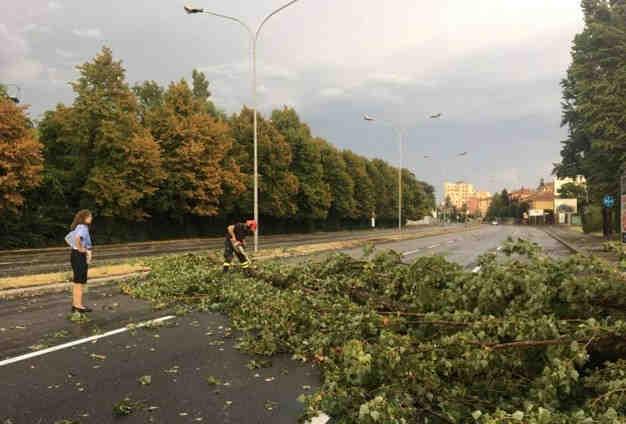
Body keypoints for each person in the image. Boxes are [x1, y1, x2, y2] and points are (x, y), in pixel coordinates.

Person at [65, 210, 94, 313]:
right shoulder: (82, 227)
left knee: (78, 281)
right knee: (79, 282)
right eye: (90, 216)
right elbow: (78, 239)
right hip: (79, 255)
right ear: (84, 217)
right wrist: (81, 249)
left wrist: (80, 249)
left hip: (75, 255)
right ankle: (78, 306)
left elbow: (68, 238)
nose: (91, 218)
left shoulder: (78, 227)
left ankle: (76, 305)